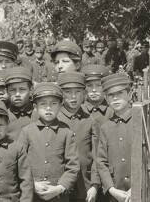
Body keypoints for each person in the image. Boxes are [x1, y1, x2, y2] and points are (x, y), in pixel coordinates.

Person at [17, 82, 79, 202]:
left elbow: (73, 166)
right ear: (35, 107)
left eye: (53, 103)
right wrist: (32, 185)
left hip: (58, 196)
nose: (48, 108)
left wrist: (59, 188)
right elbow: (19, 164)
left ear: (61, 106)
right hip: (32, 195)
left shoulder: (66, 132)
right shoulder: (27, 131)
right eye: (43, 104)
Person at [57, 72, 99, 202]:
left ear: (84, 94)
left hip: (84, 187)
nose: (73, 96)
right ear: (61, 94)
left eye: (78, 91)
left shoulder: (89, 120)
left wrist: (95, 185)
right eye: (68, 92)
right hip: (59, 187)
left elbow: (96, 155)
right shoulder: (55, 119)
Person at [95, 73, 134, 202]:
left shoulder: (141, 121)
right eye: (111, 95)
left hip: (140, 190)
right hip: (115, 193)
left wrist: (137, 186)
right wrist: (111, 188)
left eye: (120, 93)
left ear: (129, 94)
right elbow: (101, 162)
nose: (115, 98)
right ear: (106, 99)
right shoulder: (106, 127)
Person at [4, 66, 36, 141]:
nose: (17, 94)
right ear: (6, 91)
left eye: (22, 89)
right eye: (12, 90)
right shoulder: (4, 117)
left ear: (31, 90)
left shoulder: (39, 115)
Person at [81, 65, 112, 133]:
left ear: (105, 87)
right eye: (89, 85)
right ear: (84, 88)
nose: (94, 90)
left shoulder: (112, 112)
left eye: (98, 85)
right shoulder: (79, 112)